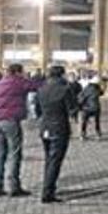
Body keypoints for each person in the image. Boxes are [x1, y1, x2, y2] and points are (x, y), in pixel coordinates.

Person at [0, 64, 37, 197]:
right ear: (18, 72)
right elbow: (37, 86)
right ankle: (14, 187)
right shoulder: (18, 82)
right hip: (11, 121)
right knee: (15, 153)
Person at [35, 65, 77, 204]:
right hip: (59, 128)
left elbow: (37, 109)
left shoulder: (41, 89)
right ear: (62, 75)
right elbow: (72, 108)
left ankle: (48, 187)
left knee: (49, 159)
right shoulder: (65, 89)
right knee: (55, 161)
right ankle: (47, 192)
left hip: (44, 127)